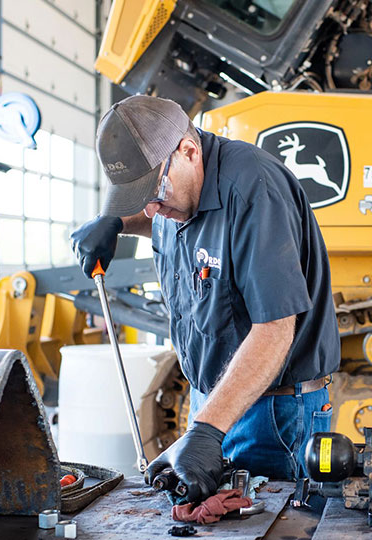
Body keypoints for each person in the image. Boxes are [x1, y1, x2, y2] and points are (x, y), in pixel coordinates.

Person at [70, 95, 340, 502]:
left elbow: (275, 331)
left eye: (155, 191)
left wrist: (206, 431)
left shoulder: (253, 191)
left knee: (275, 524)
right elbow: (157, 213)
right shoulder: (171, 200)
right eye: (137, 198)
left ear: (189, 151)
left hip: (274, 414)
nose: (152, 209)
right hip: (213, 402)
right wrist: (116, 222)